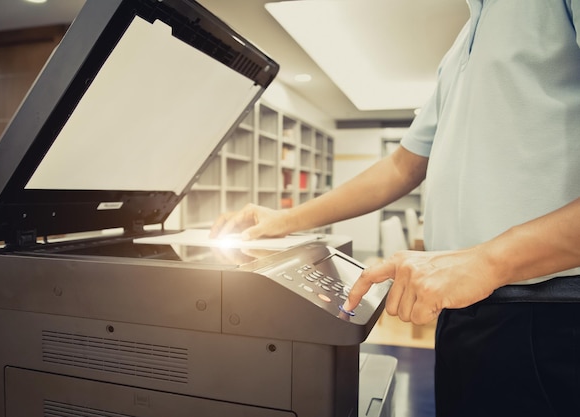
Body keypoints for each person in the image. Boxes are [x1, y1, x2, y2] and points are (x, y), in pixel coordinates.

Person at [211, 1, 580, 416]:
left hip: (551, 309)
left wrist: (489, 261)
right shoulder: (463, 42)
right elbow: (401, 166)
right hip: (467, 309)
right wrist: (286, 219)